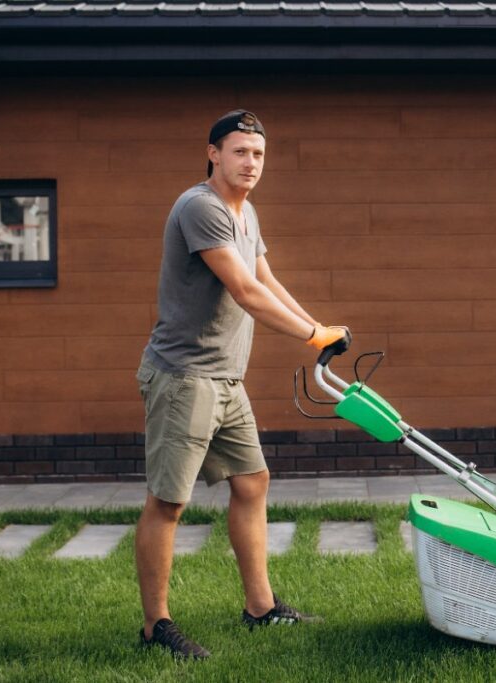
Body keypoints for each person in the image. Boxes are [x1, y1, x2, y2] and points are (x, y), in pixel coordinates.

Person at [134, 110, 350, 659]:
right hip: (185, 377)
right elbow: (245, 293)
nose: (250, 162)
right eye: (239, 151)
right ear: (213, 153)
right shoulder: (200, 208)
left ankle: (260, 607)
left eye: (257, 153)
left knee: (252, 482)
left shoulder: (245, 211)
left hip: (227, 379)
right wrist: (309, 336)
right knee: (168, 503)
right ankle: (155, 627)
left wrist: (319, 330)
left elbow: (267, 280)